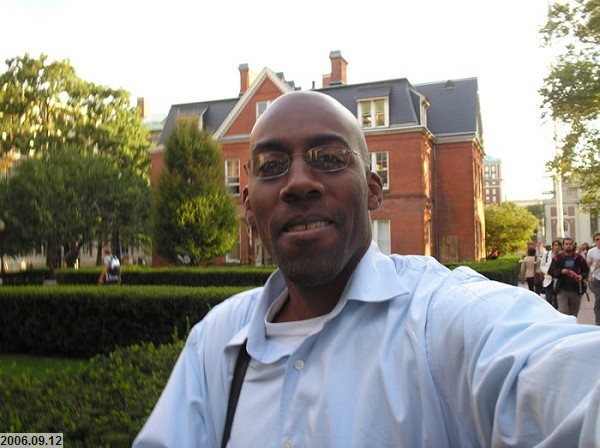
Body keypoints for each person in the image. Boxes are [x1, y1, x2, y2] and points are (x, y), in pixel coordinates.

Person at [134, 91, 600, 447]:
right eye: (271, 165)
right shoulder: (217, 341)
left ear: (373, 190)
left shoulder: (441, 321)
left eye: (329, 158)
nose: (298, 182)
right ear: (249, 205)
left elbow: (560, 377)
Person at [548, 237, 589, 317]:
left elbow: (586, 270)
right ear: (563, 246)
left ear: (573, 245)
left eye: (570, 244)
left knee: (573, 314)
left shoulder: (578, 258)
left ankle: (572, 325)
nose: (568, 246)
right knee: (563, 313)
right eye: (566, 244)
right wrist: (561, 271)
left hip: (576, 290)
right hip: (562, 289)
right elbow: (551, 271)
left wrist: (581, 276)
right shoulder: (557, 258)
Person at [540, 240, 562, 308]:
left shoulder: (562, 255)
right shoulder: (546, 254)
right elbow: (542, 266)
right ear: (553, 246)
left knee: (556, 301)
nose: (557, 247)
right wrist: (548, 271)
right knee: (548, 300)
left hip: (558, 281)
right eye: (555, 245)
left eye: (558, 245)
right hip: (548, 279)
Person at [587, 232, 600, 325]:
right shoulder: (591, 252)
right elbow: (588, 265)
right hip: (596, 278)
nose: (599, 241)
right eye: (597, 239)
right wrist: (589, 276)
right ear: (594, 241)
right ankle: (598, 321)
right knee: (599, 298)